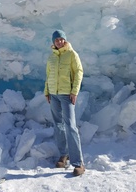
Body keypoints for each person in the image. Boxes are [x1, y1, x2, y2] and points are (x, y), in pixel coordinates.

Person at [44, 30, 85, 176]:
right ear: (53, 42)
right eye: (56, 40)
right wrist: (47, 91)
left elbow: (79, 72)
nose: (59, 42)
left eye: (61, 39)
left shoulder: (72, 54)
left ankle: (78, 163)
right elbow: (48, 75)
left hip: (66, 95)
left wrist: (74, 92)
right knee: (58, 125)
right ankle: (64, 155)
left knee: (71, 126)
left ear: (65, 40)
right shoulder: (51, 57)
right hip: (53, 95)